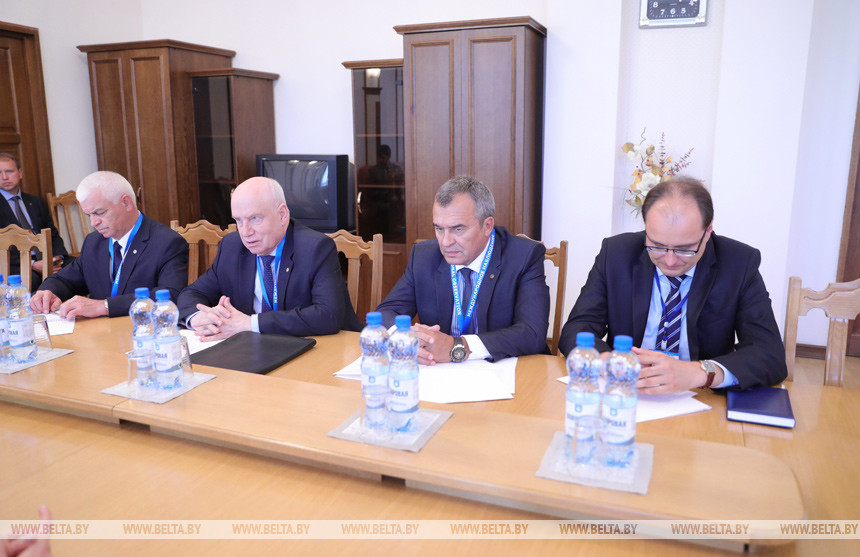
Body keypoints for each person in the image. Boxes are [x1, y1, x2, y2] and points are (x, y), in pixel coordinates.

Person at [558, 177, 787, 393]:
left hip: (699, 397)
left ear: (707, 231)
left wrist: (701, 372)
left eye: (684, 249)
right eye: (657, 246)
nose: (669, 261)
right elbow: (577, 327)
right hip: (627, 391)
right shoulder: (617, 254)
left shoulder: (738, 263)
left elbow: (769, 355)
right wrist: (606, 361)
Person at [376, 175, 550, 364]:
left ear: (487, 226)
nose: (445, 242)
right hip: (440, 371)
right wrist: (406, 338)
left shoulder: (524, 256)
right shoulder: (423, 256)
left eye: (458, 229)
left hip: (504, 369)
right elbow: (386, 312)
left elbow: (532, 333)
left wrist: (458, 346)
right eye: (439, 229)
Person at [177, 177, 360, 339]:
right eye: (239, 220)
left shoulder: (315, 248)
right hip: (254, 350)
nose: (245, 232)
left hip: (320, 350)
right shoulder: (231, 247)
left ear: (282, 215)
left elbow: (328, 315)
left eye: (254, 218)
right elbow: (191, 294)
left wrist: (250, 323)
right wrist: (199, 317)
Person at [30, 171, 188, 319]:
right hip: (100, 332)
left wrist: (105, 306)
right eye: (89, 215)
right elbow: (65, 279)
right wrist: (47, 291)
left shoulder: (167, 242)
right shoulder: (94, 242)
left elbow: (171, 294)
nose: (93, 223)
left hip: (141, 329)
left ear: (126, 203)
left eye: (99, 213)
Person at [0, 153, 69, 290]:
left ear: (20, 173)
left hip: (46, 258)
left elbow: (52, 234)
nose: (4, 177)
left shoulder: (36, 202)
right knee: (34, 280)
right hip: (15, 265)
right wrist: (32, 264)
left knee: (77, 267)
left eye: (9, 171)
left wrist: (57, 258)